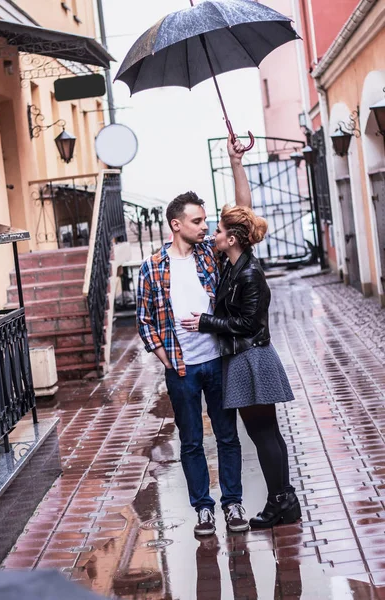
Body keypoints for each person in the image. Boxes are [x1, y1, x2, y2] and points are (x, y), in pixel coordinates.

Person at [137, 135, 251, 536]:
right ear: (176, 224)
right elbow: (144, 319)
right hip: (182, 369)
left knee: (227, 437)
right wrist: (163, 356)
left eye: (205, 221)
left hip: (217, 360)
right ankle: (203, 508)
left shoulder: (209, 253)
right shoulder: (152, 267)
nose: (205, 226)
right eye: (198, 221)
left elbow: (242, 216)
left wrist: (235, 161)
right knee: (190, 442)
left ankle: (233, 505)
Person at [181, 204, 301, 528]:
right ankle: (284, 499)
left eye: (219, 231)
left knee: (264, 433)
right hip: (246, 358)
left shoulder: (248, 272)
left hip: (252, 358)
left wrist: (206, 322)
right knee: (266, 433)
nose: (214, 234)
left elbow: (247, 323)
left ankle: (281, 502)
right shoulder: (234, 264)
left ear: (232, 238)